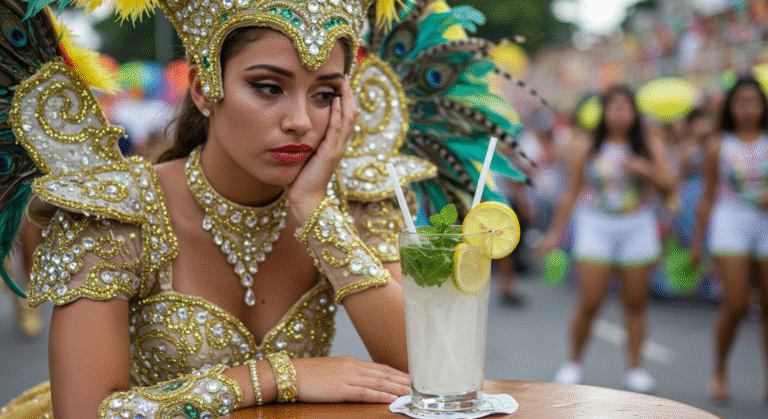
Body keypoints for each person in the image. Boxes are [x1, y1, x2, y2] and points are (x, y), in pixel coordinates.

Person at [0, 0, 529, 416]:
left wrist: (316, 212)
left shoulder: (355, 199)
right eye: (268, 87)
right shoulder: (116, 213)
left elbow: (436, 374)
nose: (301, 120)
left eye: (324, 94)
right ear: (206, 89)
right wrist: (276, 377)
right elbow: (86, 413)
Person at [538, 85, 673, 394]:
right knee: (590, 301)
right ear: (604, 112)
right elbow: (570, 191)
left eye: (626, 107)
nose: (620, 113)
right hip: (595, 226)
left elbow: (669, 188)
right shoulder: (588, 146)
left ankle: (635, 369)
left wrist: (647, 170)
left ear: (635, 112)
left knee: (635, 304)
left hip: (637, 227)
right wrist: (555, 232)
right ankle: (574, 362)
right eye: (614, 107)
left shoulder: (649, 145)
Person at [690, 76, 768, 403]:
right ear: (730, 107)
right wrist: (697, 241)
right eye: (741, 102)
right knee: (735, 304)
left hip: (765, 226)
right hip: (730, 224)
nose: (748, 109)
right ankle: (720, 369)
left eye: (754, 102)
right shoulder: (718, 145)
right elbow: (707, 196)